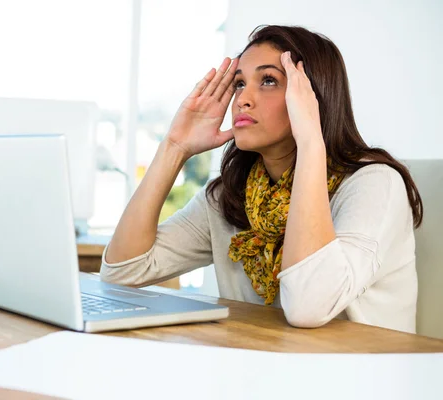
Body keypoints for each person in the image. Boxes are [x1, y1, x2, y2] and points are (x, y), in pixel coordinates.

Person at [100, 25, 423, 333]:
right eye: (239, 83)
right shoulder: (231, 193)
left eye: (268, 80)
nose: (242, 99)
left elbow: (307, 308)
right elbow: (122, 274)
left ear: (313, 96)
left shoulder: (374, 184)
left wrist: (311, 139)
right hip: (261, 365)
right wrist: (174, 148)